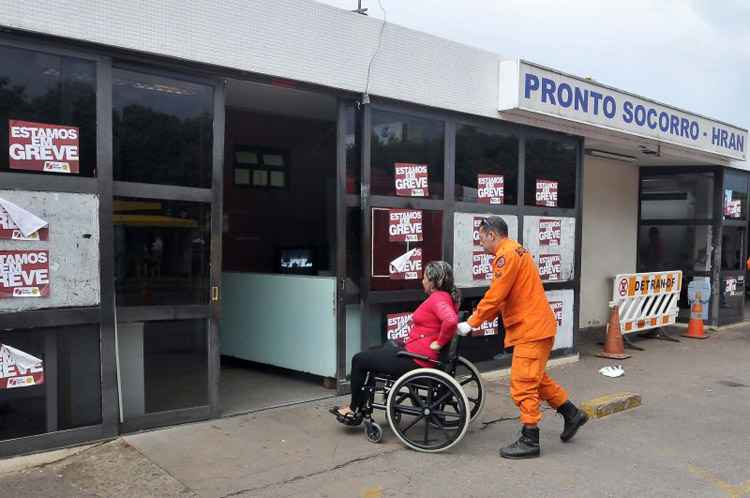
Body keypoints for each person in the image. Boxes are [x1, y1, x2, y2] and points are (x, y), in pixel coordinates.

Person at [457, 217, 588, 459]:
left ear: (492, 235)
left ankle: (530, 439)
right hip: (537, 327)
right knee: (537, 378)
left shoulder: (505, 256)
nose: (480, 243)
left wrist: (471, 323)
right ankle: (572, 414)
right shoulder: (517, 250)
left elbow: (495, 295)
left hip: (531, 329)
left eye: (481, 237)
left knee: (523, 382)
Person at [330, 261, 460, 425]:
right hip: (417, 354)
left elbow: (450, 320)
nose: (422, 281)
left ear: (434, 282)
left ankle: (355, 408)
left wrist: (439, 343)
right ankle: (360, 406)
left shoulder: (438, 298)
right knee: (377, 351)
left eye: (425, 277)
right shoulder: (445, 297)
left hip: (417, 360)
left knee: (359, 360)